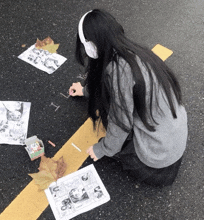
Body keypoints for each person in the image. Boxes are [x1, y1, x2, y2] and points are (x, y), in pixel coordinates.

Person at [69, 9, 188, 187]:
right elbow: (105, 86)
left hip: (156, 166)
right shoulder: (136, 52)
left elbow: (120, 122)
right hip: (173, 145)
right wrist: (86, 90)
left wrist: (103, 149)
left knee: (112, 140)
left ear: (92, 46)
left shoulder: (118, 73)